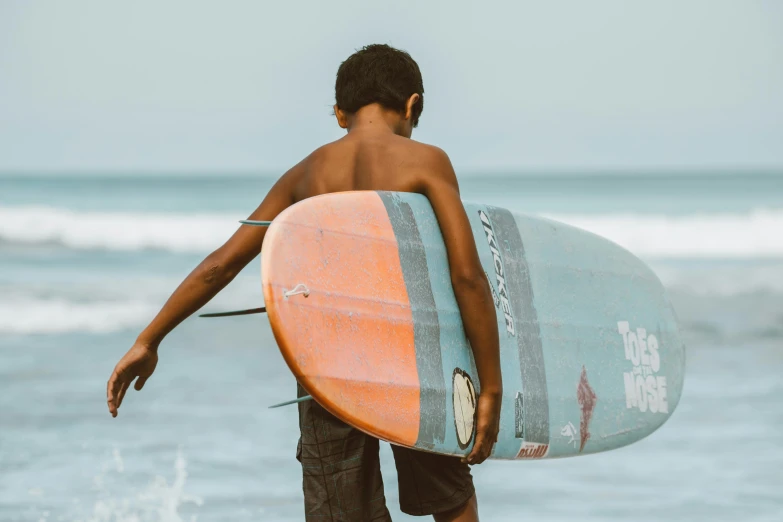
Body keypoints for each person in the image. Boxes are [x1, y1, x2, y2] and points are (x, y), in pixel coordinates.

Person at [107, 44, 502, 521]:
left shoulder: (305, 174)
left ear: (339, 114)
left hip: (326, 370)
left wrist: (148, 339)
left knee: (340, 510)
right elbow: (468, 277)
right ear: (412, 106)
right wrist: (491, 387)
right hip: (415, 363)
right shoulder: (426, 162)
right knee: (449, 499)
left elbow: (222, 265)